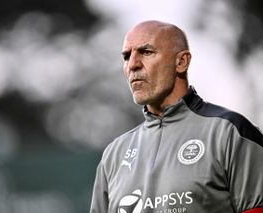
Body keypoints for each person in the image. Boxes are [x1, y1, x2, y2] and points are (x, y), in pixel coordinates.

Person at [90, 20, 263, 213]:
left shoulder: (230, 132)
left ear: (181, 62)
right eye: (126, 56)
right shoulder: (114, 154)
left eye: (146, 52)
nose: (132, 65)